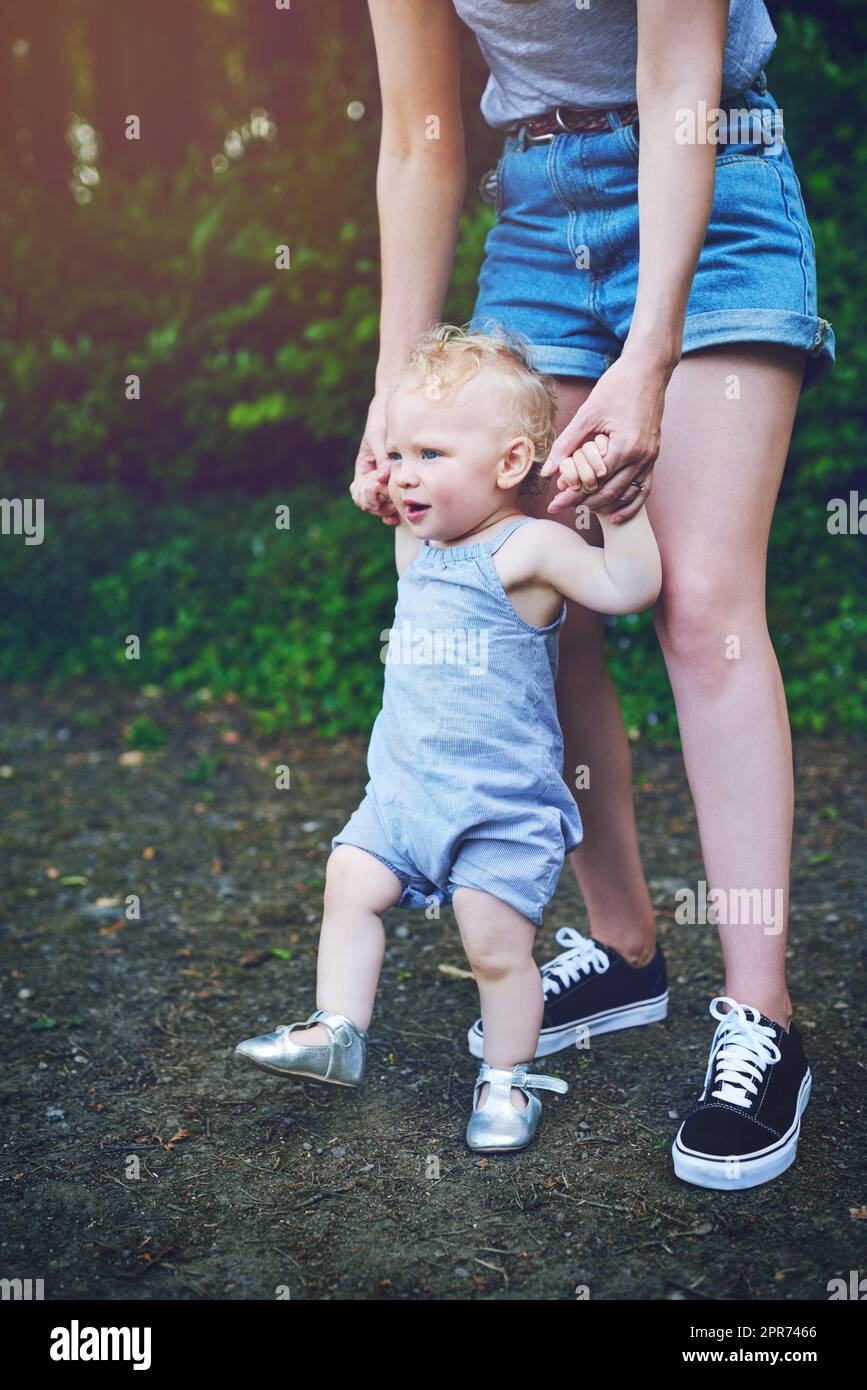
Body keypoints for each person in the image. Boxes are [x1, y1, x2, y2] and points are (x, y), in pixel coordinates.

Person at [350, 0, 832, 1187]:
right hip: (537, 204)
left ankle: (763, 1016)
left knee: (702, 604)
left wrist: (651, 354)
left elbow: (684, 75)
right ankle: (623, 946)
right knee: (533, 610)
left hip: (711, 176)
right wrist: (398, 399)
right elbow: (418, 133)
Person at [236, 325, 662, 1154]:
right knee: (348, 880)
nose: (403, 473)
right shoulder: (421, 544)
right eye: (396, 453)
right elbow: (397, 504)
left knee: (494, 947)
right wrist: (387, 488)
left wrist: (620, 512)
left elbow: (629, 587)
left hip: (497, 809)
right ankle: (337, 1031)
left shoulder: (527, 549)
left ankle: (506, 1081)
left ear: (507, 465)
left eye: (429, 452)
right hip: (401, 797)